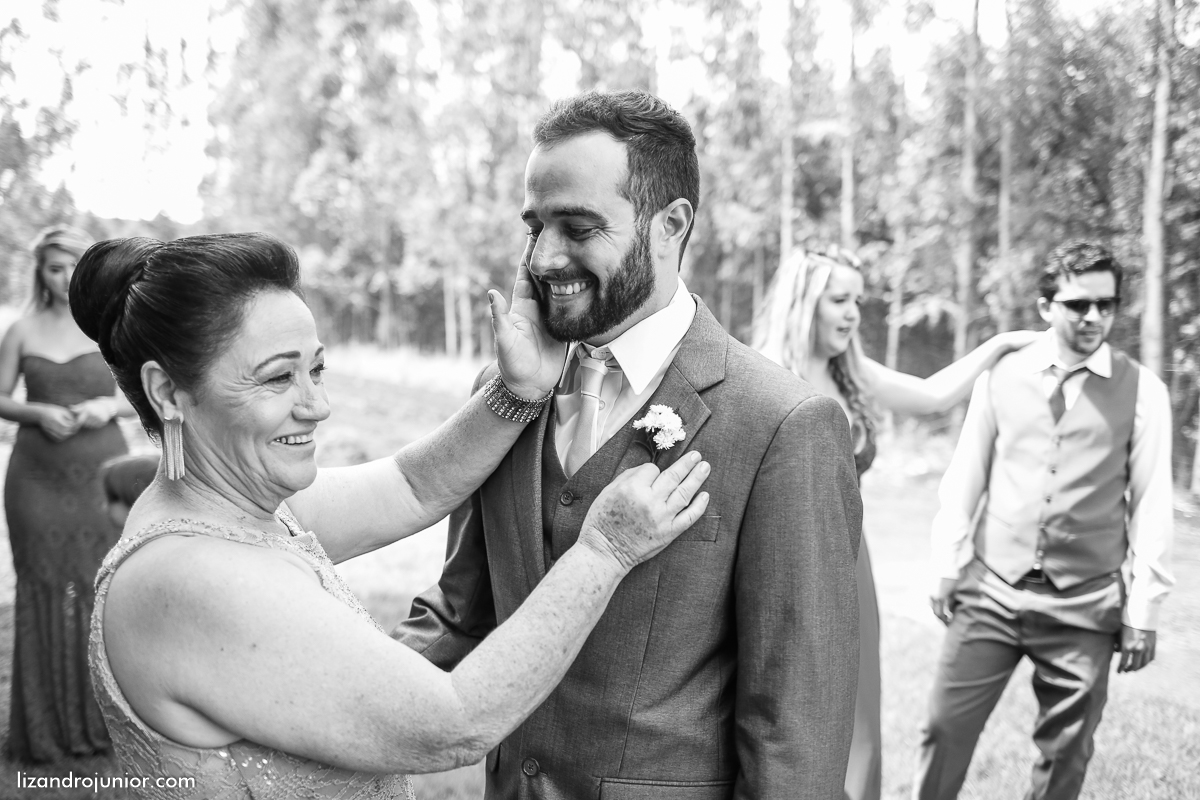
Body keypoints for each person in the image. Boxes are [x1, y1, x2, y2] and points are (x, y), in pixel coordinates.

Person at [70, 231, 712, 800]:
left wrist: (517, 392)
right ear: (166, 393)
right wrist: (604, 553)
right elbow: (454, 724)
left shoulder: (236, 509)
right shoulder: (193, 580)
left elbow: (412, 486)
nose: (316, 406)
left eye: (316, 370)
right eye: (276, 380)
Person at [394, 90, 863, 799]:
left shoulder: (784, 425)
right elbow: (463, 613)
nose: (546, 257)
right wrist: (331, 702)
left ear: (670, 225)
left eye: (578, 228)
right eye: (535, 226)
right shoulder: (503, 391)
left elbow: (794, 733)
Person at [751, 246, 1039, 800]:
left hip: (850, 561)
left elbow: (933, 397)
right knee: (786, 698)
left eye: (858, 299)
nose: (854, 312)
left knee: (858, 705)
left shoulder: (851, 370)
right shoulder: (759, 371)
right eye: (840, 299)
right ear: (804, 302)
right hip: (777, 557)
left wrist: (1000, 344)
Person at [913, 241, 1174, 800]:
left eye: (1107, 305)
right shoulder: (1000, 376)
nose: (1094, 318)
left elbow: (1152, 503)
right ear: (1045, 306)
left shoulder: (1145, 391)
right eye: (1079, 305)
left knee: (1066, 756)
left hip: (1086, 603)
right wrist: (945, 564)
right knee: (942, 728)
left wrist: (1143, 609)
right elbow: (967, 476)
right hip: (991, 591)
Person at [0, 224, 136, 762]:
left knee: (103, 588)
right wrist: (36, 412)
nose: (62, 278)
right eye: (53, 268)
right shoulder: (22, 330)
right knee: (44, 587)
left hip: (103, 472)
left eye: (71, 266)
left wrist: (109, 407)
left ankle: (107, 720)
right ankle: (44, 727)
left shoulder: (113, 326)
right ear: (40, 273)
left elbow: (155, 386)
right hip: (35, 476)